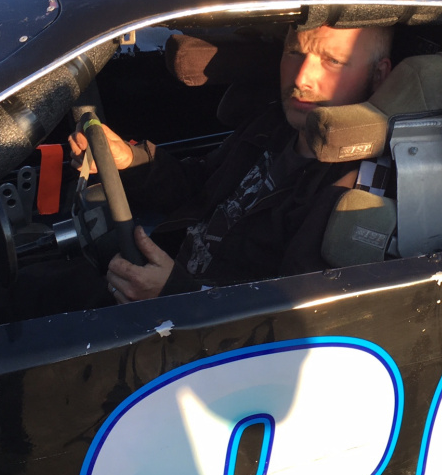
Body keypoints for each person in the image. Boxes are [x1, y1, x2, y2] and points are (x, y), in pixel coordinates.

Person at [70, 25, 393, 303]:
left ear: (378, 75)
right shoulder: (274, 125)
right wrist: (130, 160)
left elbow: (297, 315)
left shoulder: (355, 187)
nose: (303, 78)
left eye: (333, 61)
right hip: (163, 277)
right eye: (294, 52)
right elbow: (199, 188)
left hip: (204, 336)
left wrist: (175, 294)